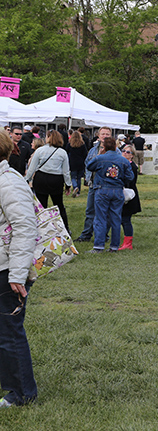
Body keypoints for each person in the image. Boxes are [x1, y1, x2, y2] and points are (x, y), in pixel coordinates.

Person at [0, 130, 38, 408]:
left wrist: (17, 273)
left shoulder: (8, 182)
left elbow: (26, 227)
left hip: (7, 271)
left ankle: (21, 393)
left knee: (9, 333)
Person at [86, 137, 134, 252]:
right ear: (116, 147)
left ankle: (99, 246)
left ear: (104, 147)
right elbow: (130, 177)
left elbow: (89, 166)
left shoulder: (100, 158)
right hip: (117, 190)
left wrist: (99, 154)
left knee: (100, 218)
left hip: (102, 189)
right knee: (116, 219)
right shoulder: (123, 160)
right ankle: (114, 246)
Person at [76, 126, 116, 243]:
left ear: (111, 136)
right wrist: (88, 179)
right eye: (102, 134)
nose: (105, 136)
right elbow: (87, 163)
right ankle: (86, 235)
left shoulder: (116, 151)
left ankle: (104, 235)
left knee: (106, 212)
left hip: (107, 186)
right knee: (90, 211)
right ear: (98, 135)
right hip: (94, 185)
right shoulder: (93, 150)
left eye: (107, 134)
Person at [25, 130, 71, 232]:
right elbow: (66, 171)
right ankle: (65, 228)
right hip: (56, 179)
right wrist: (68, 185)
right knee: (59, 205)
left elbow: (32, 168)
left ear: (48, 138)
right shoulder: (62, 152)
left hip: (41, 178)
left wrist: (26, 179)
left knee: (41, 206)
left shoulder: (40, 150)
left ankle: (40, 229)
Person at [118, 144, 141, 250]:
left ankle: (128, 243)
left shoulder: (131, 166)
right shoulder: (122, 164)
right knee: (122, 219)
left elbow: (130, 181)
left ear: (132, 156)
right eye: (123, 151)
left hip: (129, 196)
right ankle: (124, 242)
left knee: (126, 219)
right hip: (123, 194)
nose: (125, 153)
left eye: (128, 152)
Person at [67, 130, 88, 197]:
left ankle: (75, 186)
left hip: (72, 162)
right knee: (79, 178)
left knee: (73, 177)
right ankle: (78, 192)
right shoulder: (82, 144)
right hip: (80, 162)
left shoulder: (70, 144)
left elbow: (66, 151)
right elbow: (85, 154)